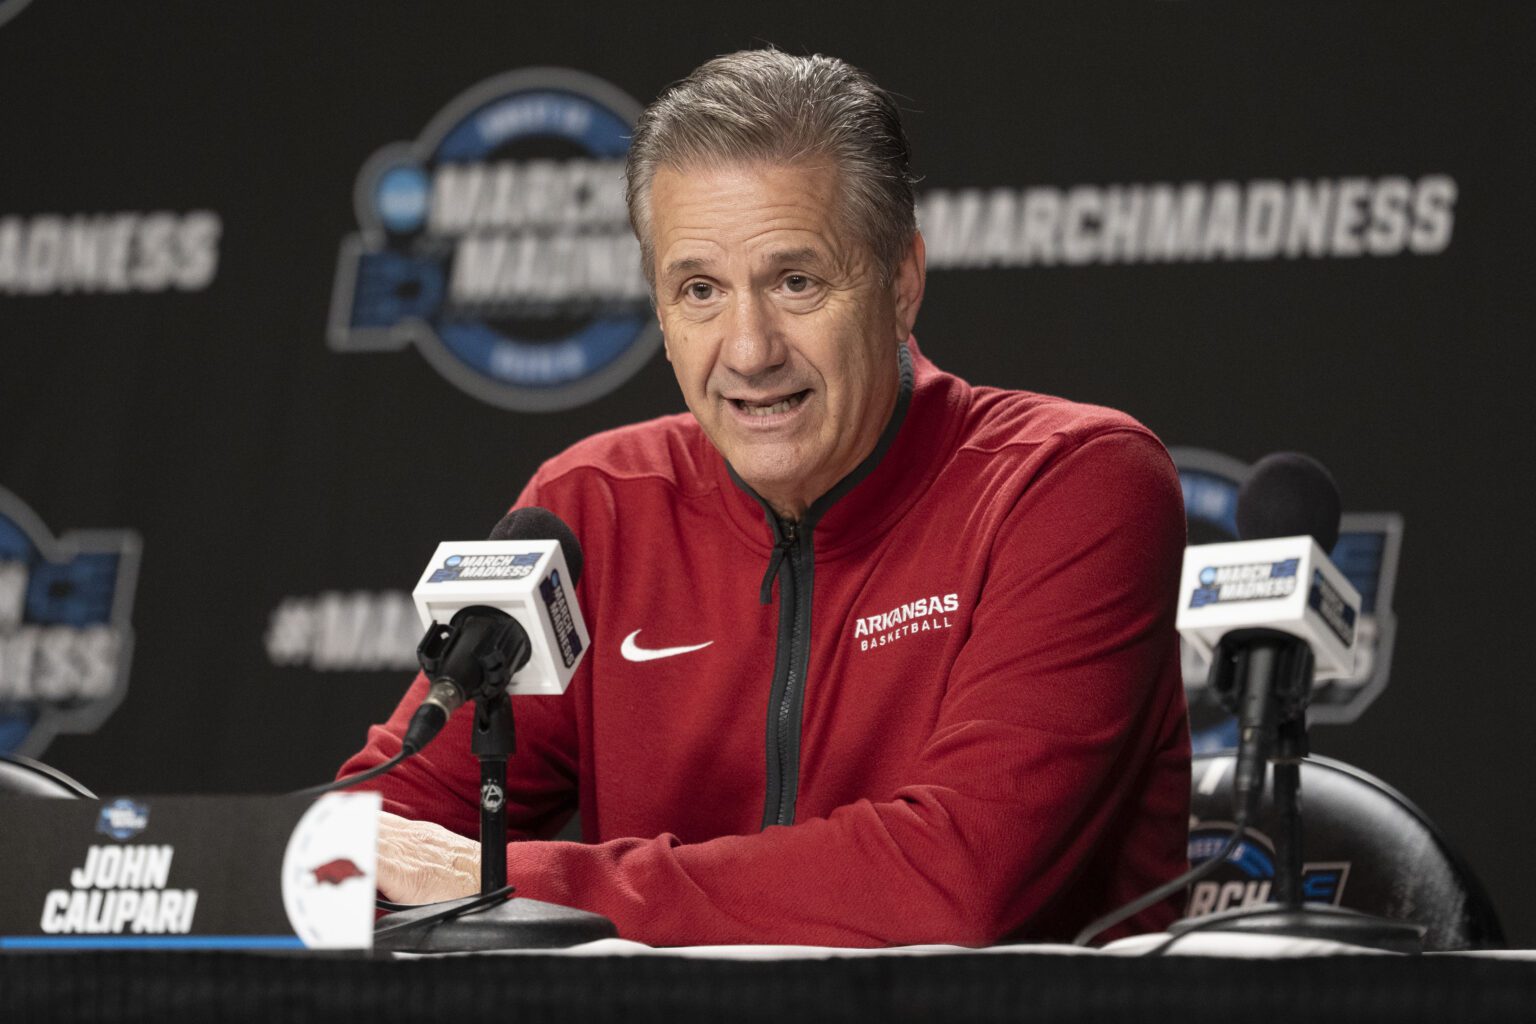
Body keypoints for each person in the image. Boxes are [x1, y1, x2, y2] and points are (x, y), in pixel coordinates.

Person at [340, 49, 1190, 947]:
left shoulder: (1068, 484)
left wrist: (520, 879)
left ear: (901, 283)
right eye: (699, 290)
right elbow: (375, 834)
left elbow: (955, 881)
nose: (748, 350)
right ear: (660, 311)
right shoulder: (595, 506)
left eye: (797, 281)